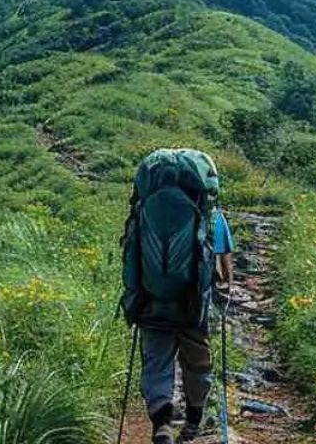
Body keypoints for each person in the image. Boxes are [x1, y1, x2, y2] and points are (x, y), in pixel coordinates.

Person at [121, 149, 237, 444]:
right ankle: (193, 421)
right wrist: (225, 291)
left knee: (156, 362)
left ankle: (161, 424)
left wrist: (133, 299)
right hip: (193, 305)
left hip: (151, 302)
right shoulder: (211, 217)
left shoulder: (142, 213)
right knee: (197, 363)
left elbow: (131, 254)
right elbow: (224, 268)